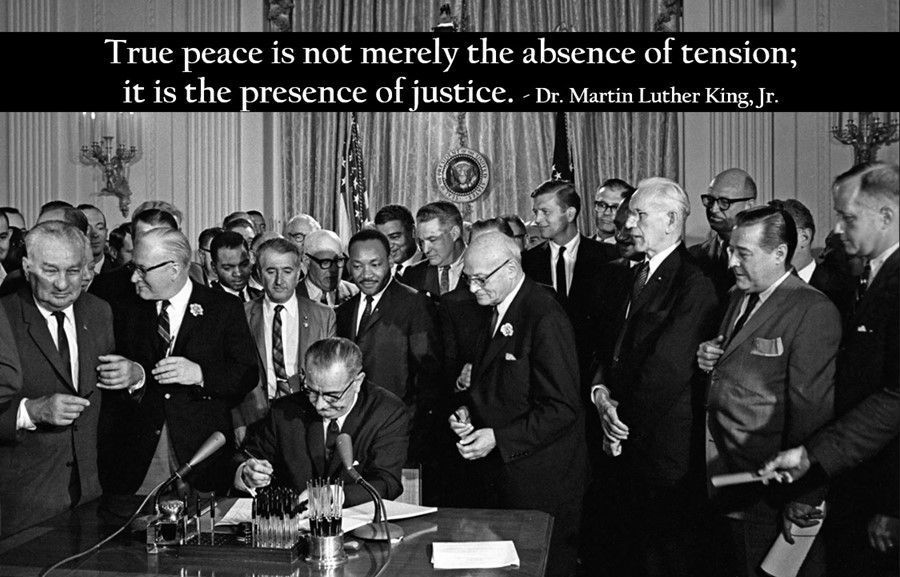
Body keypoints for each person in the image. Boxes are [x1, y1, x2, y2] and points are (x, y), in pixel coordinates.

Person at [760, 162, 899, 577]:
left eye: (848, 217)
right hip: (856, 478)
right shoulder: (867, 276)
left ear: (886, 217)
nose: (837, 229)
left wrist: (894, 505)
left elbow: (895, 399)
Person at [697, 205, 840, 577]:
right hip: (725, 479)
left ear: (779, 254)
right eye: (731, 250)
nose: (732, 262)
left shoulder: (812, 310)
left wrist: (805, 494)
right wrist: (712, 356)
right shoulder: (737, 295)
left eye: (743, 253)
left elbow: (813, 410)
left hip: (769, 493)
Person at [590, 177, 719, 577]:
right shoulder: (633, 275)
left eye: (639, 215)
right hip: (627, 440)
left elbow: (667, 370)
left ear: (670, 220)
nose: (628, 224)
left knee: (661, 560)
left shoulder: (694, 285)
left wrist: (617, 421)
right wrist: (599, 393)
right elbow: (610, 348)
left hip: (661, 452)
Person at [450, 231, 586, 577]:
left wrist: (497, 438)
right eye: (468, 278)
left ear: (510, 268)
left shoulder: (544, 317)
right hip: (503, 479)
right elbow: (497, 385)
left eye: (481, 279)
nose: (472, 287)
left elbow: (562, 408)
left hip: (540, 485)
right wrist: (468, 412)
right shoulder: (495, 309)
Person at [97, 227, 258, 507]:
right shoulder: (123, 309)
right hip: (139, 461)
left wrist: (200, 374)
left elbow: (246, 374)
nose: (135, 277)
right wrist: (137, 375)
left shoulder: (223, 308)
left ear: (173, 269)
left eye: (142, 269)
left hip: (203, 457)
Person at [0, 222, 142, 536]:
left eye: (74, 271)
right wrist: (30, 411)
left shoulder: (99, 311)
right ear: (27, 267)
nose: (63, 284)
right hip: (22, 504)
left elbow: (115, 405)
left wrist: (135, 376)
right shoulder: (4, 317)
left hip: (91, 498)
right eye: (50, 271)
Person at [234, 337, 408, 507]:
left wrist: (333, 495)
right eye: (311, 391)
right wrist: (246, 473)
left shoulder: (386, 412)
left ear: (357, 382)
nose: (319, 404)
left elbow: (387, 483)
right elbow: (247, 455)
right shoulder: (285, 411)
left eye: (332, 396)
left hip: (357, 524)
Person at [336, 229, 442, 476]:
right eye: (358, 266)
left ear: (390, 261)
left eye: (375, 264)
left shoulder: (415, 305)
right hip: (352, 439)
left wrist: (407, 432)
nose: (367, 274)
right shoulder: (343, 311)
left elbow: (428, 381)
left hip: (399, 437)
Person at [234, 238, 335, 444]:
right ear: (259, 274)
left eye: (287, 271)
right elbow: (233, 375)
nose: (279, 280)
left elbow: (329, 375)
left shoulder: (323, 316)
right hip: (255, 420)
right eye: (271, 271)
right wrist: (238, 422)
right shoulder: (240, 316)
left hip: (307, 419)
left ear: (299, 273)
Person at [522, 179, 617, 392]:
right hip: (544, 379)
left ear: (570, 213)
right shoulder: (527, 262)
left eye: (545, 212)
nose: (537, 220)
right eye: (536, 212)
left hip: (592, 378)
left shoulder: (609, 258)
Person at [770, 198, 858, 317]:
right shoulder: (758, 289)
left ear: (804, 237)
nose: (767, 245)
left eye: (776, 235)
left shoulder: (840, 291)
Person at [689, 168, 758, 304]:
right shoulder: (693, 256)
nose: (713, 209)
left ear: (749, 205)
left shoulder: (762, 256)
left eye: (724, 202)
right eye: (710, 200)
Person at [403, 201, 467, 299]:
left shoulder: (485, 268)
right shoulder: (413, 275)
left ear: (454, 233)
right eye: (422, 241)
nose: (425, 250)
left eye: (433, 240)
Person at [297, 230, 358, 307]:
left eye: (339, 260)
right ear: (307, 261)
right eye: (325, 262)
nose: (333, 269)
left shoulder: (356, 293)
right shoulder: (290, 297)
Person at [373, 204, 423, 280]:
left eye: (394, 237)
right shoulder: (375, 274)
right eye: (383, 239)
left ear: (413, 231)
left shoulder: (436, 268)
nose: (388, 246)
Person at [209, 231, 260, 302]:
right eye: (228, 268)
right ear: (214, 268)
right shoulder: (207, 302)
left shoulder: (261, 297)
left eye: (244, 265)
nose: (238, 273)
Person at [592, 178, 635, 244]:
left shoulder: (635, 251)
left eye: (615, 207)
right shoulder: (579, 246)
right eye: (602, 205)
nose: (607, 212)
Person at [76, 204, 114, 275]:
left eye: (100, 228)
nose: (95, 235)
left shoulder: (118, 273)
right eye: (88, 228)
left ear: (106, 232)